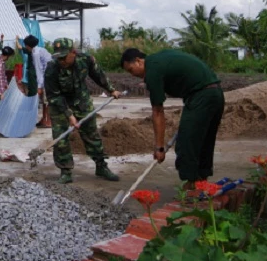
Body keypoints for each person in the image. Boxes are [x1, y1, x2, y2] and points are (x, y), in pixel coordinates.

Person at [120, 48, 224, 189]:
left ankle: (192, 184)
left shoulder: (152, 70)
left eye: (131, 70)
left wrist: (159, 148)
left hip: (201, 96)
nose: (133, 75)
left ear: (139, 61)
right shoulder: (160, 57)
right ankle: (201, 182)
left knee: (186, 142)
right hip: (216, 94)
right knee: (204, 140)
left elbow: (157, 111)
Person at [45, 38, 121, 184]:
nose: (61, 61)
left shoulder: (85, 59)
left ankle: (101, 166)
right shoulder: (52, 67)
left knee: (91, 134)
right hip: (59, 103)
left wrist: (111, 89)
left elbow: (98, 75)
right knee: (61, 138)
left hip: (81, 100)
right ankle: (65, 171)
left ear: (73, 53)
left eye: (64, 57)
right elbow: (53, 95)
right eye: (58, 57)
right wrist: (69, 115)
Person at [23, 34, 52, 127]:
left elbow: (39, 70)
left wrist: (39, 87)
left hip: (48, 77)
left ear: (28, 45)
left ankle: (48, 121)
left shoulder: (35, 53)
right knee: (44, 101)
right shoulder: (40, 49)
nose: (25, 47)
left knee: (46, 101)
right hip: (47, 76)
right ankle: (44, 119)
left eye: (25, 45)